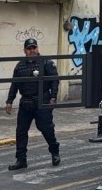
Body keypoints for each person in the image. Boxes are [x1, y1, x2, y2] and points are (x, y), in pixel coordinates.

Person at [5, 38, 61, 170]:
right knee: (21, 132)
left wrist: (53, 97)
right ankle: (21, 160)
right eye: (29, 48)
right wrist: (9, 101)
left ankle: (55, 152)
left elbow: (54, 80)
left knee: (46, 128)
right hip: (26, 102)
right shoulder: (20, 66)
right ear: (24, 50)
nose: (32, 51)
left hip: (42, 101)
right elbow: (14, 84)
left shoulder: (47, 63)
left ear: (37, 48)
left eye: (34, 48)